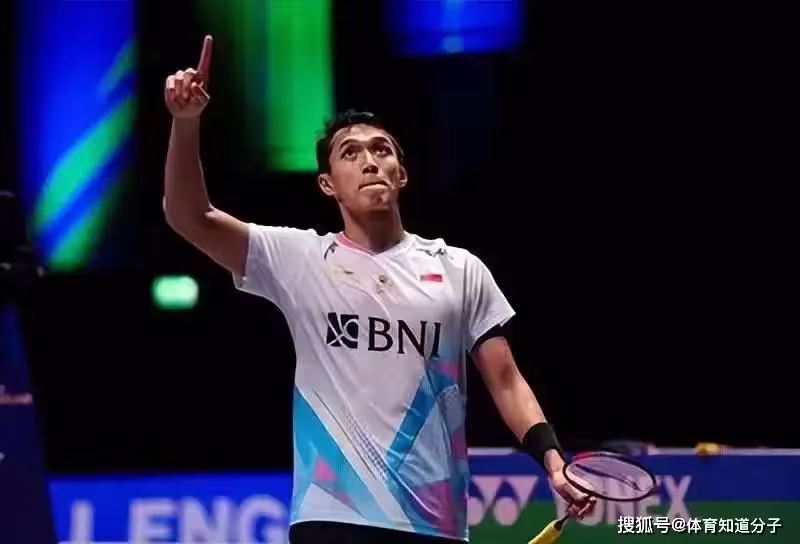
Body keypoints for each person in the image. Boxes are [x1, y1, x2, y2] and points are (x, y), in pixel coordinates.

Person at [163, 35, 593, 544]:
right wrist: (185, 122)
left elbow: (506, 381)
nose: (369, 161)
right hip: (333, 515)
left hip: (434, 523)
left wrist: (551, 457)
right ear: (328, 184)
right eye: (350, 153)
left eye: (381, 150)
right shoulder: (301, 259)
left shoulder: (460, 268)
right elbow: (189, 216)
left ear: (401, 174)